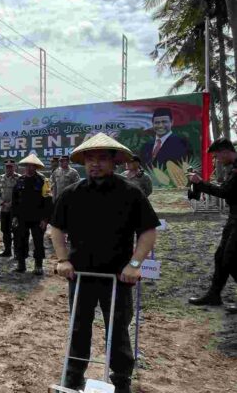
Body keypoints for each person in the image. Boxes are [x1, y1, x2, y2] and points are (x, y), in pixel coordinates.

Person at [50, 133, 159, 393]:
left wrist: (134, 264)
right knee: (78, 328)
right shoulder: (71, 194)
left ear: (114, 162)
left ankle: (122, 380)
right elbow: (56, 228)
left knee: (118, 329)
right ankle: (73, 377)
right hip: (81, 276)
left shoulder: (131, 193)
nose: (94, 164)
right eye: (90, 159)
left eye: (101, 158)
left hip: (118, 278)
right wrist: (63, 259)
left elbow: (148, 232)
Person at [187, 138, 237, 313]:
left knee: (230, 258)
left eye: (217, 156)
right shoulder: (233, 167)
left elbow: (225, 192)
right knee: (220, 256)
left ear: (225, 151)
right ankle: (214, 295)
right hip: (233, 217)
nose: (217, 160)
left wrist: (200, 183)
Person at [11, 153, 52, 275]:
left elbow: (48, 201)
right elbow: (15, 200)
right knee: (20, 240)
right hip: (22, 218)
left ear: (36, 167)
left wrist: (45, 219)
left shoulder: (43, 181)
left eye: (32, 166)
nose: (29, 168)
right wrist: (14, 216)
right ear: (25, 167)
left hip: (38, 219)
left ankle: (38, 265)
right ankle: (21, 264)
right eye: (27, 166)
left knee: (38, 241)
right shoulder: (20, 180)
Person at [0, 160, 20, 257]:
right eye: (7, 167)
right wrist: (2, 203)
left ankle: (17, 252)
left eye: (11, 167)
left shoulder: (19, 178)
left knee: (17, 231)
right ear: (5, 168)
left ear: (14, 167)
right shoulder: (0, 179)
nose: (9, 168)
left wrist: (13, 203)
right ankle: (7, 250)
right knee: (5, 230)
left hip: (15, 211)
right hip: (4, 210)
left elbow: (21, 193)